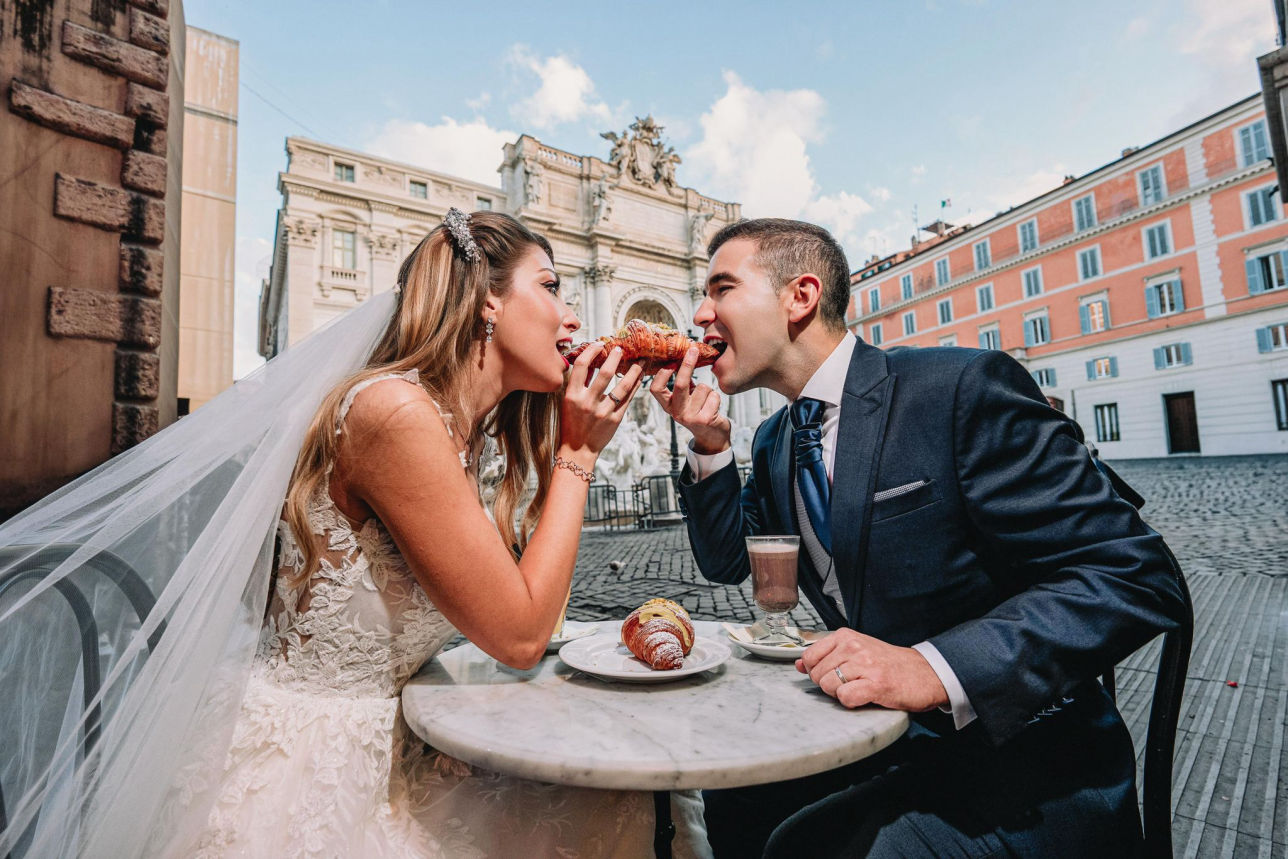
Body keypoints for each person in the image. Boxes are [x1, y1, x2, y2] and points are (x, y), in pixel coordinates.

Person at [0, 210, 711, 858]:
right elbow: (522, 637)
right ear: (486, 299)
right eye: (552, 286)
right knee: (620, 808)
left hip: (403, 745)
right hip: (319, 773)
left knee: (635, 789)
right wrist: (579, 455)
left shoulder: (462, 433)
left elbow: (535, 609)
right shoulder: (394, 414)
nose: (571, 314)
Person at [650, 217, 1188, 857]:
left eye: (721, 289)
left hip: (1022, 758)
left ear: (800, 296)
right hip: (877, 735)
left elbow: (1132, 575)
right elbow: (726, 562)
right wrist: (709, 448)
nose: (700, 315)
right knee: (732, 796)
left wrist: (932, 667)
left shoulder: (957, 390)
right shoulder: (773, 443)